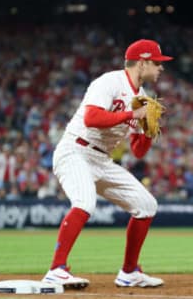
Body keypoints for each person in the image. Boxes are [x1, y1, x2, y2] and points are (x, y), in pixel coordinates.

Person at [42, 39, 172, 289]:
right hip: (75, 151)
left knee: (146, 205)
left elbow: (137, 152)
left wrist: (146, 132)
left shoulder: (142, 99)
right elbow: (91, 118)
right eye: (157, 63)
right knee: (84, 203)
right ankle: (56, 269)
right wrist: (132, 115)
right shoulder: (109, 82)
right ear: (142, 62)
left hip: (102, 159)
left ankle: (129, 272)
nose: (161, 68)